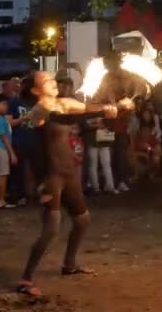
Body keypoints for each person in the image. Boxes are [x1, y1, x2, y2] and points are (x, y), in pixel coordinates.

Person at [18, 71, 132, 296]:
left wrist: (116, 107)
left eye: (53, 79)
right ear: (35, 90)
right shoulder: (39, 110)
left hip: (70, 174)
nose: (53, 82)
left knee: (82, 220)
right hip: (51, 177)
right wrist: (102, 111)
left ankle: (69, 264)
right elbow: (64, 118)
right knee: (50, 230)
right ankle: (26, 278)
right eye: (47, 81)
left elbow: (85, 110)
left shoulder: (65, 102)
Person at [3, 79, 31, 205]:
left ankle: (27, 193)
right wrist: (23, 118)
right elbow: (8, 122)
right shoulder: (14, 102)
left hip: (33, 140)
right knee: (17, 170)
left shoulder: (36, 102)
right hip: (18, 140)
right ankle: (17, 194)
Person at [84, 116, 118, 194]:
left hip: (101, 139)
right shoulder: (97, 110)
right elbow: (84, 124)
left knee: (102, 164)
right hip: (94, 139)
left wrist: (97, 124)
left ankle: (107, 187)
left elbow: (111, 122)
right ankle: (97, 187)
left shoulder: (101, 110)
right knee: (95, 164)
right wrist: (98, 125)